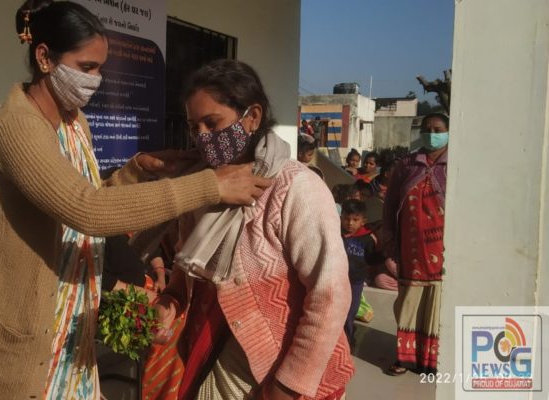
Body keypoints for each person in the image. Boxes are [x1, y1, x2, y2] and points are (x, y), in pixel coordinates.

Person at [0, 2, 272, 399]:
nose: (95, 80)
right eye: (86, 67)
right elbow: (85, 210)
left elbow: (91, 195)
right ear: (44, 58)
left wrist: (139, 169)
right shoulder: (16, 128)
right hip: (19, 329)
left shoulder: (72, 122)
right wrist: (207, 186)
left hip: (68, 319)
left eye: (100, 68)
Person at [153, 59, 353, 400]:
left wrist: (289, 384)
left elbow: (330, 293)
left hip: (281, 367)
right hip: (210, 346)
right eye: (193, 127)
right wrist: (171, 302)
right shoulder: (202, 187)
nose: (202, 136)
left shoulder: (296, 188)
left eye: (212, 122)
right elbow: (186, 272)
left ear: (253, 117)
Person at [382, 113, 449, 376]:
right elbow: (390, 204)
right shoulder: (407, 164)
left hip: (443, 250)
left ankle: (431, 360)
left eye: (438, 129)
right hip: (410, 250)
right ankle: (405, 358)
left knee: (436, 302)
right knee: (409, 300)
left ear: (448, 131)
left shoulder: (456, 163)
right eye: (427, 129)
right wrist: (389, 236)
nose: (432, 133)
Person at [339, 199, 378, 345]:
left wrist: (382, 252)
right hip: (338, 279)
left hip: (355, 282)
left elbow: (372, 259)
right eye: (346, 219)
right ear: (341, 217)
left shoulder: (367, 239)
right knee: (337, 310)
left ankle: (347, 340)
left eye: (355, 220)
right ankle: (338, 340)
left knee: (350, 311)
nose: (350, 223)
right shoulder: (335, 233)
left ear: (363, 221)